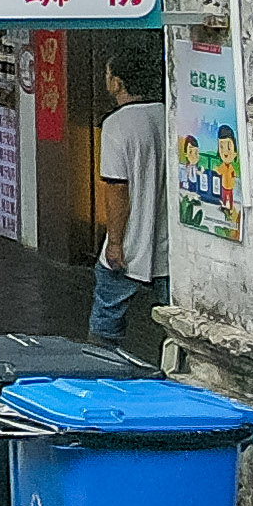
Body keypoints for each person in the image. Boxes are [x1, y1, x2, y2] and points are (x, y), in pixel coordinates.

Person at [91, 58, 170, 347]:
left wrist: (114, 243)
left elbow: (117, 189)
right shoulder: (169, 114)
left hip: (130, 244)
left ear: (118, 82)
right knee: (176, 324)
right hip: (169, 247)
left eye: (108, 74)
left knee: (106, 320)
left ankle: (100, 376)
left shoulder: (116, 124)